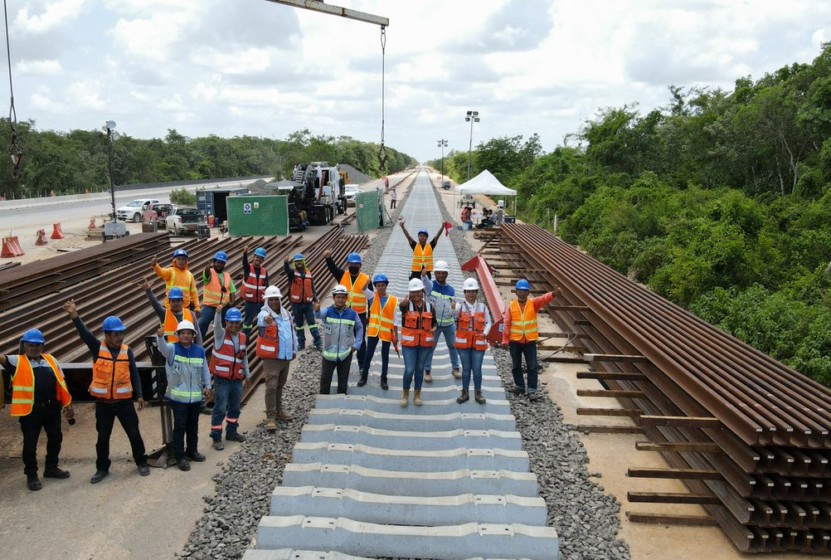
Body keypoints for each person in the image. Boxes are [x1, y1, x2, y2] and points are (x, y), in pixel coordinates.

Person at [63, 300, 150, 483]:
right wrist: (74, 316)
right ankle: (102, 468)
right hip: (103, 405)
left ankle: (141, 462)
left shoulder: (128, 351)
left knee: (134, 434)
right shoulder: (98, 348)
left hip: (124, 403)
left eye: (121, 334)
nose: (120, 338)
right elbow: (84, 334)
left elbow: (134, 373)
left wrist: (140, 395)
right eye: (116, 334)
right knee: (102, 438)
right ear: (107, 336)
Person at [1, 329, 74, 491]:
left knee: (56, 438)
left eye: (37, 345)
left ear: (42, 346)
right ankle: (31, 474)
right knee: (30, 444)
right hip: (30, 411)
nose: (33, 348)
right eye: (30, 345)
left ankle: (51, 468)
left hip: (51, 408)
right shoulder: (16, 361)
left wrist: (67, 404)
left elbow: (61, 382)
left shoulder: (50, 359)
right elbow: (2, 358)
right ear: (24, 345)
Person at [155, 320, 211, 471]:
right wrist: (160, 337)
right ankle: (180, 457)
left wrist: (208, 385)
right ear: (178, 335)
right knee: (180, 426)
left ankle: (192, 451)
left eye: (189, 333)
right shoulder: (172, 349)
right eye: (183, 333)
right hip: (178, 398)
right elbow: (162, 348)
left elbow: (205, 369)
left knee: (193, 425)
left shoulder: (199, 351)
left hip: (195, 398)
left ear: (193, 335)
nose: (186, 336)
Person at [500, 280, 562, 401]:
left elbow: (544, 299)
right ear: (516, 292)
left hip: (529, 341)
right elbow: (507, 323)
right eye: (520, 291)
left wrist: (553, 293)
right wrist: (505, 340)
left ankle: (532, 390)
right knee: (516, 365)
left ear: (528, 292)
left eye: (524, 291)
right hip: (515, 341)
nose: (522, 293)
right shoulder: (511, 305)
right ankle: (520, 386)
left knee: (532, 366)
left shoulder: (533, 303)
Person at [256, 286, 298, 432]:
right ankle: (270, 417)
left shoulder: (286, 313)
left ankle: (279, 411)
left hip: (284, 357)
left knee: (280, 385)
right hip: (272, 358)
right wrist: (266, 320)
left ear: (280, 299)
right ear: (267, 300)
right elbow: (261, 320)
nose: (274, 301)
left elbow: (292, 331)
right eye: (271, 299)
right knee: (271, 386)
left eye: (276, 299)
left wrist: (295, 348)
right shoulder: (264, 313)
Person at [323, 249, 372, 369]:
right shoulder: (342, 275)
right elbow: (333, 269)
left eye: (356, 264)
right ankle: (339, 362)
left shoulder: (366, 279)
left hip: (360, 314)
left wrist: (369, 316)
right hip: (343, 313)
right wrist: (328, 258)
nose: (354, 266)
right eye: (351, 264)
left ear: (360, 265)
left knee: (361, 342)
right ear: (348, 264)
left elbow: (371, 300)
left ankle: (362, 366)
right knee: (341, 338)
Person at [209, 307, 249, 450]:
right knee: (220, 408)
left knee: (235, 407)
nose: (234, 325)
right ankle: (216, 436)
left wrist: (247, 375)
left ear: (240, 323)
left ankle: (231, 432)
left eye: (236, 322)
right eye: (231, 322)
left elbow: (244, 357)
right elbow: (216, 326)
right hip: (222, 380)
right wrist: (218, 312)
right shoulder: (220, 335)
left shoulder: (242, 337)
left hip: (236, 379)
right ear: (226, 322)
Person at [453, 278, 492, 404]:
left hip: (478, 343)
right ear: (464, 292)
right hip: (463, 344)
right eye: (468, 291)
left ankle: (478, 392)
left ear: (477, 292)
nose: (471, 294)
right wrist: (453, 308)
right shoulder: (459, 306)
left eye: (473, 291)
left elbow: (488, 322)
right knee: (466, 368)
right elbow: (453, 316)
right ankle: (465, 393)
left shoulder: (483, 307)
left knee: (477, 369)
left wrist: (485, 334)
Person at [399, 278, 437, 408]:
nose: (416, 294)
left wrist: (434, 328)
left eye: (418, 291)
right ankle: (405, 394)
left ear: (422, 291)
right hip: (409, 345)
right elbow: (401, 307)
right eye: (413, 292)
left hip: (424, 345)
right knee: (410, 369)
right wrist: (403, 303)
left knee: (420, 369)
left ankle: (417, 395)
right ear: (409, 293)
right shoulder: (406, 306)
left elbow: (435, 323)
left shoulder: (429, 306)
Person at [319, 285, 364, 395]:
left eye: (343, 297)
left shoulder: (353, 314)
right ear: (334, 298)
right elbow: (316, 315)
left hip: (345, 353)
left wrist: (357, 345)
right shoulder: (327, 311)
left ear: (346, 298)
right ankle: (324, 399)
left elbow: (359, 328)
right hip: (329, 353)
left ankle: (341, 398)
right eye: (338, 297)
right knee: (325, 379)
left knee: (343, 380)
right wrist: (315, 309)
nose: (340, 299)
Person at [421, 260, 461, 382]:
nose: (441, 275)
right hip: (435, 324)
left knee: (453, 346)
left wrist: (455, 309)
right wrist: (423, 275)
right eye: (438, 273)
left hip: (449, 324)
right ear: (435, 273)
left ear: (447, 274)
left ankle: (456, 368)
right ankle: (427, 371)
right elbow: (424, 281)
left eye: (443, 273)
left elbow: (454, 309)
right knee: (430, 347)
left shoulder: (451, 290)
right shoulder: (430, 286)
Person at [359, 274, 398, 390]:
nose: (381, 287)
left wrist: (395, 334)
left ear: (386, 285)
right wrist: (368, 280)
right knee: (369, 354)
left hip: (386, 331)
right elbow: (363, 289)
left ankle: (384, 378)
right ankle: (364, 376)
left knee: (385, 356)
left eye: (383, 285)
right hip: (374, 330)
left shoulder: (393, 300)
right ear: (375, 286)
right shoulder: (372, 296)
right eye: (378, 285)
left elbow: (395, 319)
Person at [284, 253, 321, 351]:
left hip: (308, 303)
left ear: (303, 262)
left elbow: (312, 287)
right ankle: (301, 343)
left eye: (300, 261)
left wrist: (316, 299)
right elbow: (287, 270)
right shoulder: (292, 273)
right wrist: (285, 262)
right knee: (299, 325)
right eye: (297, 262)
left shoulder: (309, 273)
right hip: (296, 304)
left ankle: (318, 342)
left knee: (312, 323)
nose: (299, 263)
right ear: (294, 263)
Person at [199, 251, 237, 338]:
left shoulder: (227, 275)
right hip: (210, 307)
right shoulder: (209, 272)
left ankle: (224, 343)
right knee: (203, 323)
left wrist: (232, 302)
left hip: (224, 307)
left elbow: (232, 290)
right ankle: (198, 343)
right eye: (218, 262)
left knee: (226, 327)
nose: (220, 264)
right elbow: (206, 275)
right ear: (214, 262)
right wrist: (207, 268)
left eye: (222, 263)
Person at [152, 248, 199, 314]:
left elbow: (194, 293)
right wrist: (155, 265)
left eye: (183, 259)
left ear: (186, 261)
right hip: (170, 308)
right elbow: (161, 272)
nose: (181, 261)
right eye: (179, 259)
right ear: (175, 260)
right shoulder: (171, 271)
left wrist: (197, 307)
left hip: (185, 307)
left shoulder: (189, 275)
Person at [241, 246, 269, 336]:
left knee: (262, 322)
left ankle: (262, 339)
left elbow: (266, 286)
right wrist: (245, 253)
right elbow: (244, 263)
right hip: (250, 302)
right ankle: (245, 342)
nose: (258, 259)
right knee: (248, 324)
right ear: (254, 257)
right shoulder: (248, 268)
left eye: (261, 258)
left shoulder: (264, 271)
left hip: (261, 302)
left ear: (263, 260)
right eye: (257, 257)